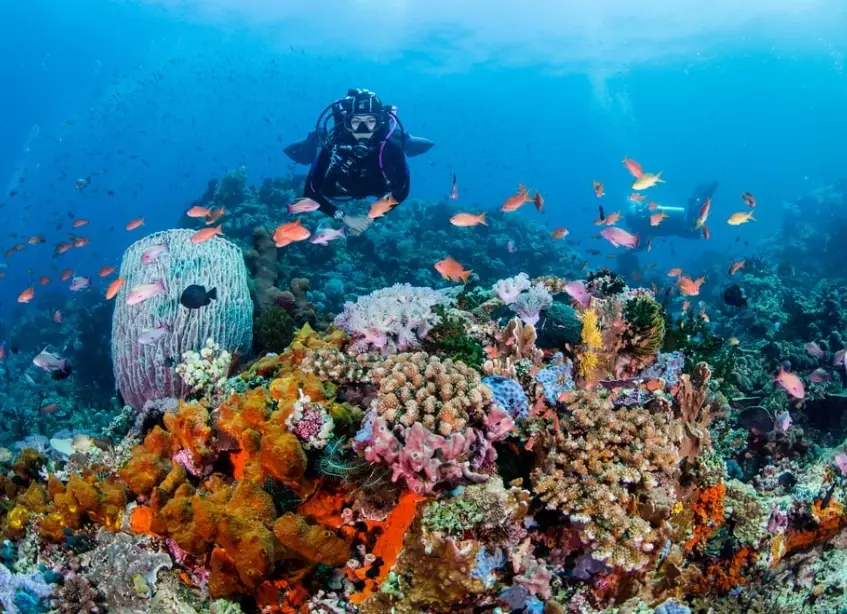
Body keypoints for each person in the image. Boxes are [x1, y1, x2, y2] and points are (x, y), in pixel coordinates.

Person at [284, 89, 434, 235]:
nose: (363, 128)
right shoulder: (333, 145)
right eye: (356, 121)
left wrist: (369, 219)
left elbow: (403, 190)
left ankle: (408, 139)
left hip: (375, 187)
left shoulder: (391, 146)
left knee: (398, 139)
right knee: (319, 146)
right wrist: (345, 217)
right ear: (347, 123)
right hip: (338, 188)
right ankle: (314, 140)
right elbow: (310, 192)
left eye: (370, 121)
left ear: (379, 122)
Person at [625, 181, 718, 240]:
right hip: (662, 222)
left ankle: (700, 200)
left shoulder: (632, 222)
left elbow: (632, 222)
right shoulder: (636, 220)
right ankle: (700, 200)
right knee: (689, 225)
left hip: (663, 224)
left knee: (691, 229)